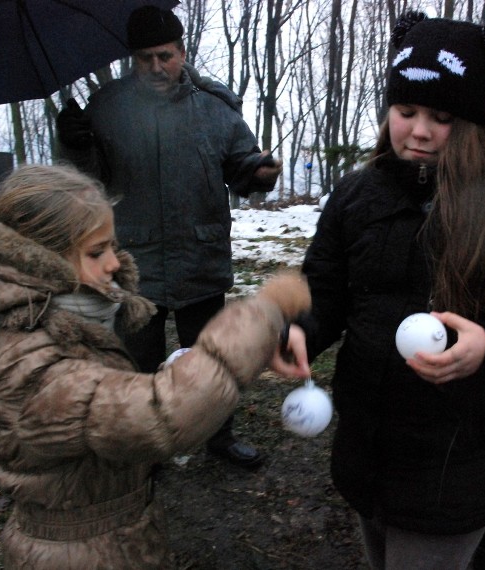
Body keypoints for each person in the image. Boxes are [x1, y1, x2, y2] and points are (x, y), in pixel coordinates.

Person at [270, 12, 485, 570]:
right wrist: (299, 331)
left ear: (470, 122)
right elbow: (322, 291)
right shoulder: (356, 196)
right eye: (405, 111)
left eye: (441, 117)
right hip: (366, 447)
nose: (418, 131)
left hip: (459, 463)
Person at [0, 164, 309, 568]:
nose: (113, 264)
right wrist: (264, 314)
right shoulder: (25, 363)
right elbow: (161, 413)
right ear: (41, 260)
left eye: (112, 246)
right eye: (96, 252)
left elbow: (109, 398)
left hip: (112, 538)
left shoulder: (60, 323)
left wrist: (194, 363)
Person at [56, 5, 282, 469]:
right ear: (132, 59)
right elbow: (88, 184)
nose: (156, 68)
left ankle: (219, 439)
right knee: (137, 368)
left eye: (165, 56)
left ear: (182, 52)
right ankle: (147, 452)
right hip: (134, 264)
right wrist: (76, 142)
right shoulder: (107, 106)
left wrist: (260, 174)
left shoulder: (214, 107)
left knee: (213, 363)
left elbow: (242, 169)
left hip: (200, 257)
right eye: (144, 59)